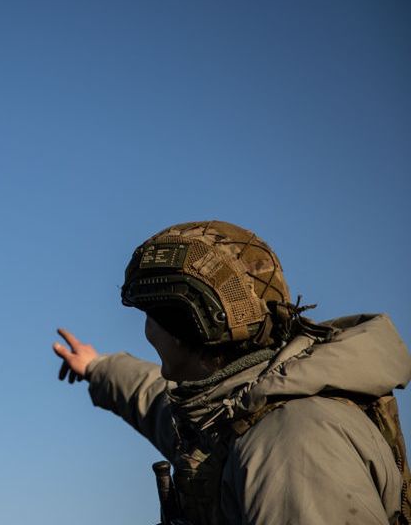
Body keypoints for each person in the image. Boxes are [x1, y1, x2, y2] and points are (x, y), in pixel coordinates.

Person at [52, 220, 411, 525]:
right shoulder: (232, 411)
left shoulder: (291, 446)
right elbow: (154, 398)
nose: (147, 332)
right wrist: (98, 367)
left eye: (151, 317)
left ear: (184, 326)